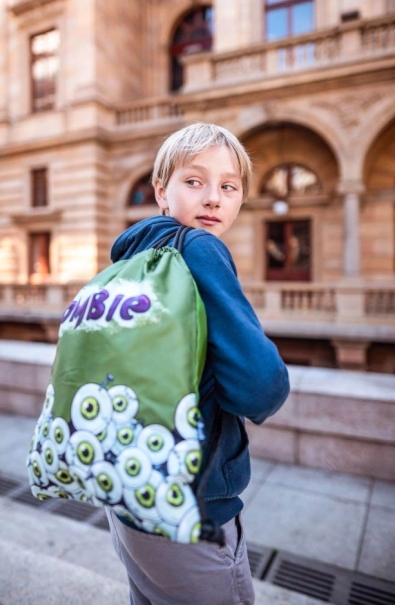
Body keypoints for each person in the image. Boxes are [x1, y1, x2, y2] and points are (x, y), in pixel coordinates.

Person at [106, 122, 290, 605]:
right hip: (191, 506)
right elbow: (261, 385)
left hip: (126, 486)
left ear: (242, 197)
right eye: (194, 181)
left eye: (229, 187)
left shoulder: (131, 253)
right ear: (160, 191)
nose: (212, 198)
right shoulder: (200, 248)